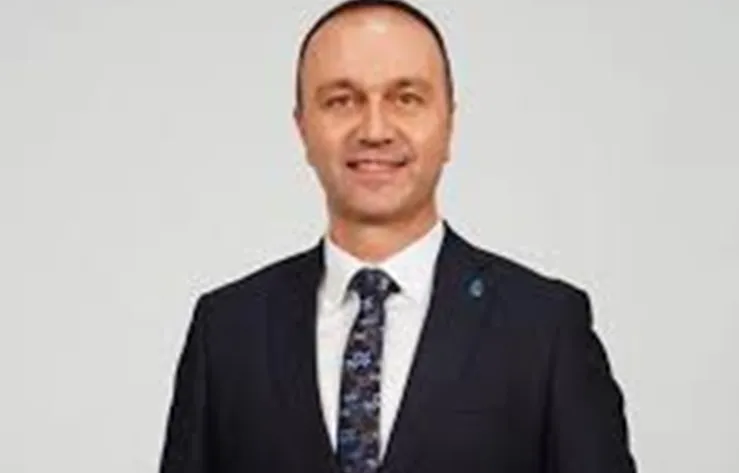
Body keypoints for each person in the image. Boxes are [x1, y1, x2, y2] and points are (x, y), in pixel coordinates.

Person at [158, 1, 638, 472]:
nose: (374, 130)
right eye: (341, 100)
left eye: (406, 98)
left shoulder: (545, 330)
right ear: (302, 129)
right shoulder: (227, 332)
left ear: (448, 123)